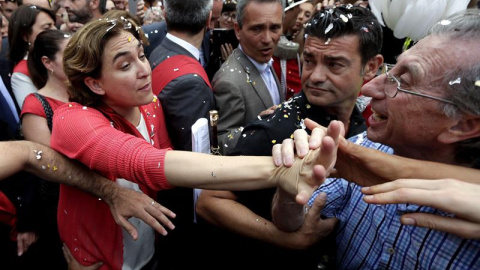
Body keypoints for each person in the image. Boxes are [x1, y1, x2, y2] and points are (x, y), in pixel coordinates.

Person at [50, 16, 335, 270]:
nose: (144, 70)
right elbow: (146, 163)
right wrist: (278, 170)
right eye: (125, 65)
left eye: (142, 55)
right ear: (94, 84)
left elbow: (169, 175)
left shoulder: (151, 106)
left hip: (147, 251)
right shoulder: (73, 120)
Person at [272, 9, 480, 269]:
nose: (369, 88)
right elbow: (294, 221)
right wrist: (289, 193)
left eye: (402, 81)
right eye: (390, 70)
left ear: (461, 125)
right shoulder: (364, 149)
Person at [196, 5, 383, 269]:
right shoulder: (278, 129)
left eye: (334, 64)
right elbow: (208, 202)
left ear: (371, 66)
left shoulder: (357, 123)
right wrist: (286, 239)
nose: (315, 76)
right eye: (308, 60)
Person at [147, 1, 216, 268]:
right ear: (209, 19)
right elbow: (197, 158)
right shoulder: (189, 83)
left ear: (165, 15)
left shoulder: (159, 50)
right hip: (178, 203)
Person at [19, 29, 70, 269]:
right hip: (56, 206)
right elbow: (49, 166)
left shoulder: (84, 95)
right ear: (47, 62)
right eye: (69, 55)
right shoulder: (36, 105)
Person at [212, 0, 285, 155]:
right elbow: (220, 144)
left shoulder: (264, 60)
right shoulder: (229, 82)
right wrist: (257, 125)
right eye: (257, 29)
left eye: (274, 28)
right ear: (238, 30)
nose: (267, 38)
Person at [8, 5, 56, 109]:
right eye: (47, 28)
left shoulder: (60, 57)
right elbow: (36, 113)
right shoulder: (22, 74)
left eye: (54, 25)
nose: (55, 31)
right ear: (25, 36)